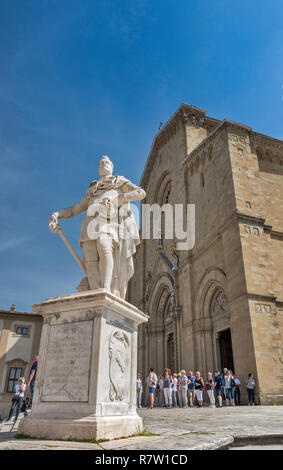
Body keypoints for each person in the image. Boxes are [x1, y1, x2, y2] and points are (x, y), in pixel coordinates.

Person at [49, 155, 146, 299]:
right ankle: (96, 292)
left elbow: (141, 192)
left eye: (107, 163)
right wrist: (57, 214)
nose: (103, 165)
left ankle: (106, 288)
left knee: (104, 244)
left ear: (112, 167)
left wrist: (120, 198)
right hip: (89, 227)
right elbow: (75, 209)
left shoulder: (119, 182)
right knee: (90, 257)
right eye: (100, 163)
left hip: (109, 223)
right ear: (98, 168)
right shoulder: (92, 189)